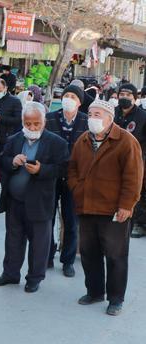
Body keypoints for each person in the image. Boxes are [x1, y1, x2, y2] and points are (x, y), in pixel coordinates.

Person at [68, 99, 144, 315]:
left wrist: (127, 205)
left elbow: (134, 177)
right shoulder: (83, 140)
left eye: (97, 115)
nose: (92, 119)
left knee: (115, 255)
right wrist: (76, 188)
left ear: (110, 118)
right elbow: (72, 168)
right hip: (86, 206)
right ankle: (94, 292)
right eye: (90, 114)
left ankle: (116, 298)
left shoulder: (126, 141)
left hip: (113, 209)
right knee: (89, 252)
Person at [0, 102, 69, 293]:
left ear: (44, 122)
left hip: (40, 201)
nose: (32, 128)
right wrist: (13, 162)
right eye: (28, 124)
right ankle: (10, 274)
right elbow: (3, 159)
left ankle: (34, 277)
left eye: (36, 124)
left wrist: (42, 169)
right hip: (15, 201)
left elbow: (64, 169)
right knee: (13, 239)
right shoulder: (15, 139)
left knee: (39, 242)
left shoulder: (56, 142)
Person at [45, 84, 88, 276]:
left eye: (73, 96)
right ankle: (46, 255)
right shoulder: (50, 118)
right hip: (51, 175)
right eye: (66, 95)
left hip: (74, 178)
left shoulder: (86, 121)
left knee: (71, 221)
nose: (68, 99)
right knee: (48, 218)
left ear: (79, 102)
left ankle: (68, 260)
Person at [113, 83, 146, 238]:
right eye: (122, 94)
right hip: (114, 161)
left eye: (128, 95)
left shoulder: (142, 116)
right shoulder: (113, 113)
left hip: (137, 161)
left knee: (136, 192)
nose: (124, 97)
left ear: (135, 97)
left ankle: (138, 223)